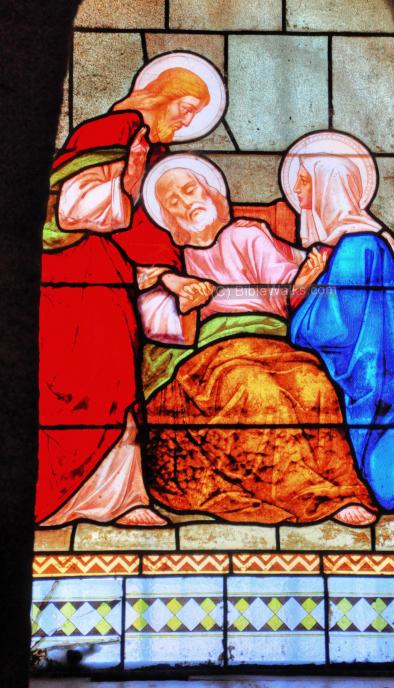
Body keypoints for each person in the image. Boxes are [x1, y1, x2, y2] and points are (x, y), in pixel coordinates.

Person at [138, 155, 378, 527]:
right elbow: (152, 315)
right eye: (174, 201)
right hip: (212, 357)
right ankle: (310, 495)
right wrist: (180, 298)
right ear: (168, 218)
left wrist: (303, 281)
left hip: (273, 346)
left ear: (210, 193)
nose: (186, 203)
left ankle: (343, 487)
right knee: (254, 389)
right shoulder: (168, 257)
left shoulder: (246, 234)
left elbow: (283, 292)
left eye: (189, 190)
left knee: (313, 383)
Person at [37, 61, 213, 527]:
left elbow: (142, 237)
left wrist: (171, 279)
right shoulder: (112, 130)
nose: (186, 120)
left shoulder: (150, 148)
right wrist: (127, 185)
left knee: (117, 379)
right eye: (185, 107)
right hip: (72, 279)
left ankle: (121, 498)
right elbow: (71, 210)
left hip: (109, 280)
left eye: (194, 114)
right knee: (77, 385)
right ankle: (63, 500)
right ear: (161, 95)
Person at [281, 132, 394, 522]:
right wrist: (305, 286)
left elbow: (330, 331)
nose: (297, 192)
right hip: (371, 390)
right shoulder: (351, 246)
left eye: (303, 181)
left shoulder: (360, 246)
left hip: (380, 395)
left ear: (329, 183)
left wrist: (303, 296)